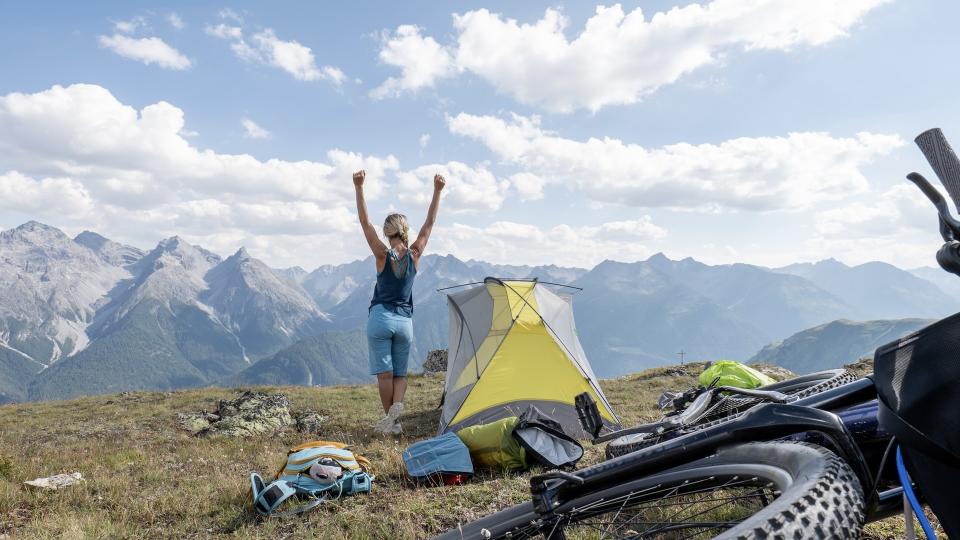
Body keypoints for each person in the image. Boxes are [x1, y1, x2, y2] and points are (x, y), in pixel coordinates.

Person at [353, 169, 445, 434]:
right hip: (405, 322)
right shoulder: (415, 254)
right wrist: (437, 191)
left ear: (387, 232)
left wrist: (359, 187)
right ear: (405, 231)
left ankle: (390, 422)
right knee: (400, 375)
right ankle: (397, 410)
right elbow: (429, 224)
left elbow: (363, 222)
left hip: (380, 318)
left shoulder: (382, 254)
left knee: (384, 375)